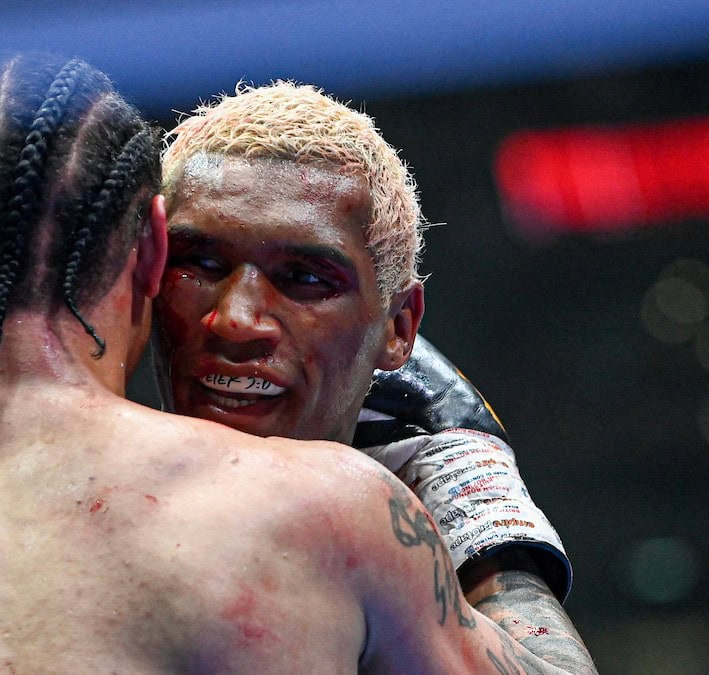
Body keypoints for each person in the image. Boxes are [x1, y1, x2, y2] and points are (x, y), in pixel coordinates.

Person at [0, 54, 571, 673]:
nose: (243, 318)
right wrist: (476, 484)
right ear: (153, 253)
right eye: (206, 263)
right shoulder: (330, 516)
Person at [152, 81, 596, 672]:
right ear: (144, 273)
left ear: (397, 329)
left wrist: (469, 501)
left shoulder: (376, 536)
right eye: (199, 265)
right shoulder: (53, 481)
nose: (235, 321)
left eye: (306, 278)